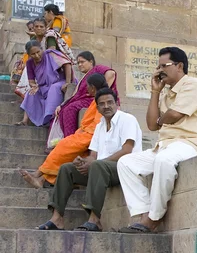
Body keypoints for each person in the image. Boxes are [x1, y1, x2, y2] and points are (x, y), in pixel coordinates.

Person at [118, 47, 197, 234]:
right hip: (166, 145)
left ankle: (154, 219)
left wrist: (162, 120)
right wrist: (155, 92)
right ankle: (144, 213)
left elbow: (174, 114)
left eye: (164, 66)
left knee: (164, 161)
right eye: (158, 66)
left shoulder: (193, 84)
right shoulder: (165, 92)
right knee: (126, 163)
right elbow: (152, 125)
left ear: (179, 66)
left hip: (192, 143)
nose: (159, 70)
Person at [36, 88, 142, 232]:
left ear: (116, 103)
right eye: (102, 104)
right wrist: (84, 161)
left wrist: (96, 162)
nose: (106, 106)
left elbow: (127, 150)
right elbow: (93, 155)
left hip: (124, 168)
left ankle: (94, 220)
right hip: (101, 170)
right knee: (67, 169)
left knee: (98, 165)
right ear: (97, 107)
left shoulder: (128, 120)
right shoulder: (100, 126)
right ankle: (57, 218)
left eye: (110, 102)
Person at [19, 73, 109, 188]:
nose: (86, 89)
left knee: (64, 146)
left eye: (87, 86)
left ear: (93, 87)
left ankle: (39, 173)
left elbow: (98, 124)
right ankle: (41, 180)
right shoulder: (97, 98)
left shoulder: (103, 99)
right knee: (64, 148)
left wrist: (83, 132)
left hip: (91, 136)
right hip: (85, 134)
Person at [53, 51, 118, 138]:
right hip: (83, 100)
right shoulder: (84, 78)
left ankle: (71, 138)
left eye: (82, 62)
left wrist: (102, 93)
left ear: (91, 62)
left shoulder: (97, 68)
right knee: (64, 109)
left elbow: (111, 74)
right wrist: (62, 105)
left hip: (93, 99)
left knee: (70, 108)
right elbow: (75, 96)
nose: (80, 65)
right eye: (78, 63)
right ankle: (67, 138)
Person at [16, 41, 76, 127]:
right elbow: (31, 81)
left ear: (41, 49)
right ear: (29, 54)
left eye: (38, 52)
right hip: (43, 86)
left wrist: (67, 82)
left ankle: (49, 119)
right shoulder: (29, 63)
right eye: (33, 54)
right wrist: (34, 86)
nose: (36, 56)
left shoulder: (51, 54)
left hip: (59, 82)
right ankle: (24, 121)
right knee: (31, 93)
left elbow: (67, 64)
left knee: (54, 88)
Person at [12, 18, 47, 99]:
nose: (38, 29)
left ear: (46, 28)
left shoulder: (49, 37)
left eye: (41, 27)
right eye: (36, 27)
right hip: (34, 66)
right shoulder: (33, 40)